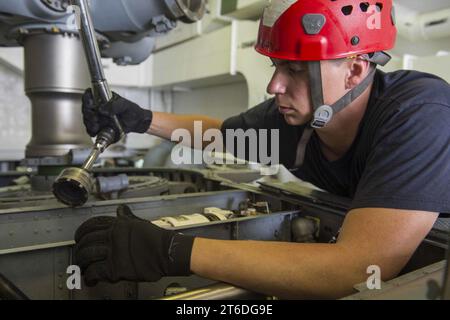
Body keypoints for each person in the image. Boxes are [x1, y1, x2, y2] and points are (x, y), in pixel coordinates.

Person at [74, 0, 450, 299]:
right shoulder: (297, 118)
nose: (274, 86)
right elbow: (220, 136)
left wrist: (170, 250)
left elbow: (360, 270)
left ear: (354, 70)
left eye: (295, 69)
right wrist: (139, 119)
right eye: (275, 66)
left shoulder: (419, 114)